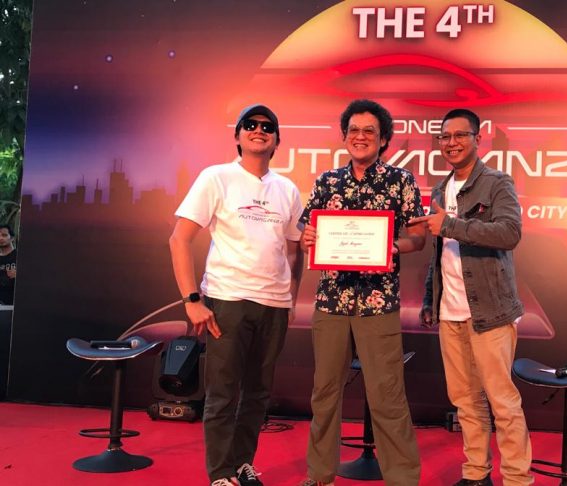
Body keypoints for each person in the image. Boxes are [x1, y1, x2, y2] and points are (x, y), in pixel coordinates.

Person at [169, 104, 304, 486]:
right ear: (238, 136)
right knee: (223, 393)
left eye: (267, 126)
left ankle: (243, 463)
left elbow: (295, 251)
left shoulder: (288, 190)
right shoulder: (216, 177)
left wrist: (291, 297)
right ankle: (220, 473)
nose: (259, 130)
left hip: (274, 305)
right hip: (228, 300)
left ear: (277, 140)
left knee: (258, 394)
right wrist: (192, 300)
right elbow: (179, 239)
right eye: (250, 124)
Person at [298, 99, 425, 486]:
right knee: (324, 393)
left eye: (369, 130)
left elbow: (418, 238)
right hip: (331, 302)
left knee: (387, 395)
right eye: (353, 129)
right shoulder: (327, 181)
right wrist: (308, 238)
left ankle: (402, 479)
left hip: (378, 303)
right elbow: (306, 232)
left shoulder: (400, 181)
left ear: (383, 139)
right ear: (344, 136)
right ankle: (319, 475)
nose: (360, 136)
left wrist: (391, 247)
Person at [414, 109, 534, 486]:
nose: (451, 143)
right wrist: (430, 299)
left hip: (491, 312)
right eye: (445, 137)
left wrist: (451, 224)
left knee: (502, 402)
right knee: (465, 401)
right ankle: (476, 474)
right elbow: (438, 255)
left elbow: (509, 233)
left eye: (459, 135)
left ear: (477, 139)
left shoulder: (497, 183)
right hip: (450, 313)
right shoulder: (439, 190)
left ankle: (517, 479)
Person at [0, 224, 17, 305]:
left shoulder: (20, 255)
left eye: (4, 235)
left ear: (12, 238)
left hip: (16, 304)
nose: (0, 238)